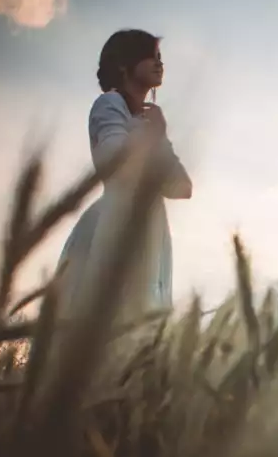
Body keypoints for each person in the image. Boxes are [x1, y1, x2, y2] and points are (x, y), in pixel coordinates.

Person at [54, 29, 192, 335]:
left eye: (160, 57)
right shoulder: (109, 103)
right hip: (115, 220)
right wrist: (152, 140)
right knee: (108, 316)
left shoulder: (151, 122)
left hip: (148, 225)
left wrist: (160, 136)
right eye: (150, 55)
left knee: (137, 324)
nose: (159, 63)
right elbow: (112, 159)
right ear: (123, 65)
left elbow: (182, 187)